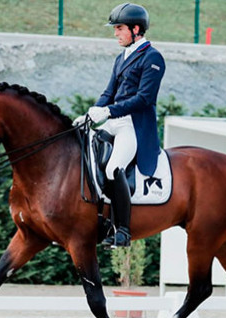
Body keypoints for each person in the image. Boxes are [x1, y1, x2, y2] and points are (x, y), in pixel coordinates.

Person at [75, 2, 165, 248]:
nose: (115, 33)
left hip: (132, 125)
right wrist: (91, 113)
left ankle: (123, 231)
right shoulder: (121, 57)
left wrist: (108, 111)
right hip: (113, 120)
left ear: (136, 29)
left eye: (119, 28)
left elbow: (144, 99)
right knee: (85, 153)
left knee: (114, 168)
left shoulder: (153, 58)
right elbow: (109, 92)